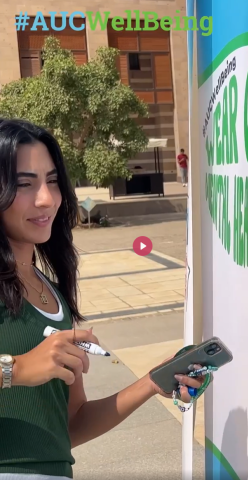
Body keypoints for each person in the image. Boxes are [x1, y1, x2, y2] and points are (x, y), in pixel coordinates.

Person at [0, 118, 205, 480]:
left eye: (51, 181)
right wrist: (14, 370)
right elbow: (18, 371)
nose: (46, 198)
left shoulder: (52, 292)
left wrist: (152, 382)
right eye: (23, 184)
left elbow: (72, 425)